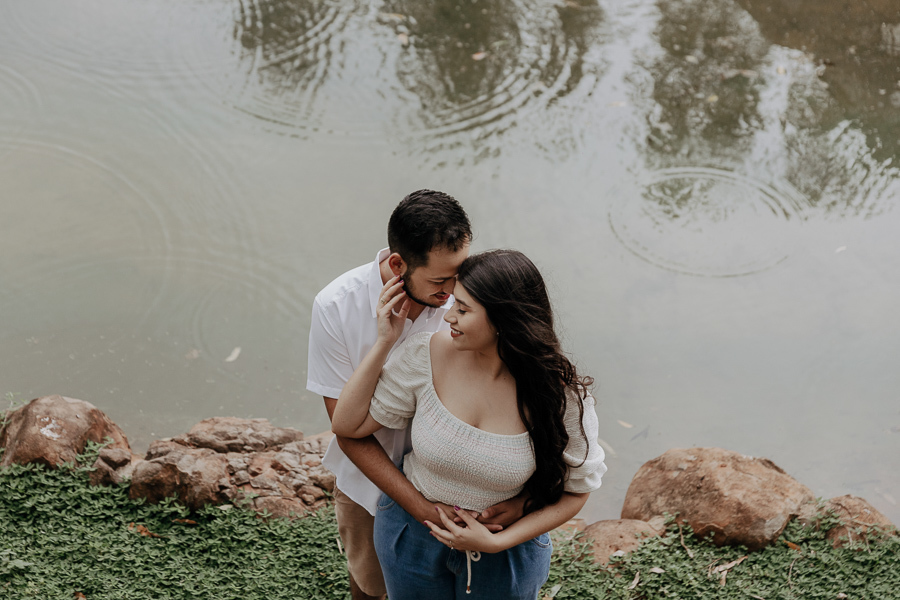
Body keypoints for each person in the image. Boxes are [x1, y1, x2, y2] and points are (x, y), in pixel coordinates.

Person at [332, 249, 607, 600]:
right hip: (411, 537)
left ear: (504, 320)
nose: (448, 317)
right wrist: (385, 341)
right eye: (452, 304)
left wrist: (496, 542)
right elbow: (347, 426)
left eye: (462, 309)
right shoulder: (425, 354)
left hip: (507, 551)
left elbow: (578, 489)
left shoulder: (561, 395)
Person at [306, 191, 527, 600]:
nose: (451, 296)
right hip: (370, 481)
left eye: (458, 277)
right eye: (441, 282)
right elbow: (347, 429)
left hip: (462, 482)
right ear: (397, 264)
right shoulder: (336, 306)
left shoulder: (467, 302)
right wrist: (422, 509)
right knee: (370, 584)